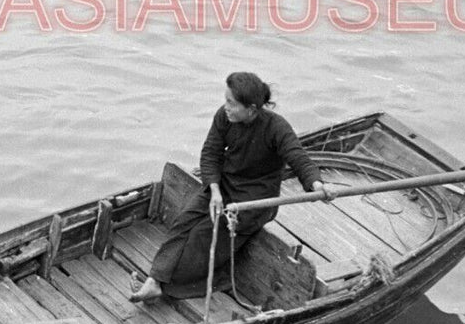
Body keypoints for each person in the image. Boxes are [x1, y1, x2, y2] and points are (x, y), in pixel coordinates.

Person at [131, 71, 330, 302]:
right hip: (223, 187)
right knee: (184, 222)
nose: (226, 106)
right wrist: (214, 191)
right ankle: (154, 279)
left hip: (253, 202)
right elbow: (210, 154)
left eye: (232, 103)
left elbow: (298, 157)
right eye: (226, 100)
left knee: (202, 238)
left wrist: (316, 184)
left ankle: (180, 286)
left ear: (252, 109)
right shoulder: (225, 117)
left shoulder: (276, 127)